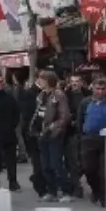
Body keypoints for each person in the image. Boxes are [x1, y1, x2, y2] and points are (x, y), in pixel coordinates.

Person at [75, 76, 106, 207]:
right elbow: (80, 120)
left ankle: (105, 197)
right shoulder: (86, 102)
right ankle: (95, 191)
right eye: (97, 88)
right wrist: (81, 137)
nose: (100, 91)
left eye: (102, 89)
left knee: (104, 170)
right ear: (92, 88)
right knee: (89, 169)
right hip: (88, 139)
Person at [32, 70, 72, 203]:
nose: (39, 81)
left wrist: (53, 127)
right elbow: (38, 113)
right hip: (41, 133)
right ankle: (51, 191)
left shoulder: (58, 95)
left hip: (54, 133)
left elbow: (64, 115)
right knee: (46, 164)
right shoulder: (41, 95)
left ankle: (66, 190)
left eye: (42, 79)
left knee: (56, 163)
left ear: (49, 81)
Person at [0, 74, 22, 192]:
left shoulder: (9, 98)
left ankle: (13, 181)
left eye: (0, 81)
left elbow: (16, 114)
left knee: (11, 160)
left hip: (8, 134)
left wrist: (11, 126)